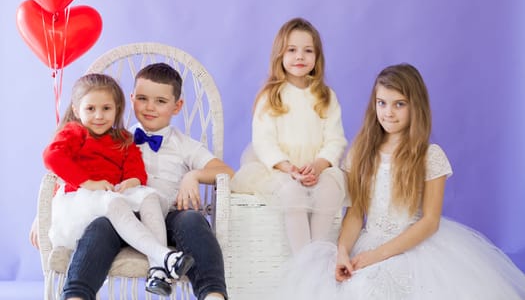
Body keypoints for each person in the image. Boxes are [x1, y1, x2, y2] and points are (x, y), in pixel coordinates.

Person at [272, 63, 525, 299]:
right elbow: (355, 214)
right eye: (382, 103)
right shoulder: (361, 152)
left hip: (412, 246)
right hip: (367, 243)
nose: (388, 113)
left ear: (416, 106)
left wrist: (376, 256)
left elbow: (429, 222)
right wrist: (342, 253)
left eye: (399, 104)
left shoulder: (429, 156)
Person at [38, 63, 233, 300]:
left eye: (160, 101)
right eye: (142, 98)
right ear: (130, 100)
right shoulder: (115, 135)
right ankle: (76, 295)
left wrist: (193, 175)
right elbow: (71, 172)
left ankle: (212, 294)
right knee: (99, 225)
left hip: (171, 215)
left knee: (193, 219)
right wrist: (43, 216)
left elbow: (226, 172)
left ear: (177, 106)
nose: (150, 107)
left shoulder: (184, 144)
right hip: (124, 215)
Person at [231, 17, 348, 254]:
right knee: (292, 192)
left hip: (317, 167)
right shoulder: (271, 96)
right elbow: (264, 141)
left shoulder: (326, 96)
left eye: (308, 51)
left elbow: (335, 140)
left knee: (331, 189)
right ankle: (304, 259)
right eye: (292, 50)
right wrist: (289, 168)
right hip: (279, 169)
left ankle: (317, 254)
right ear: (279, 56)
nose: (300, 57)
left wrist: (317, 165)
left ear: (317, 58)